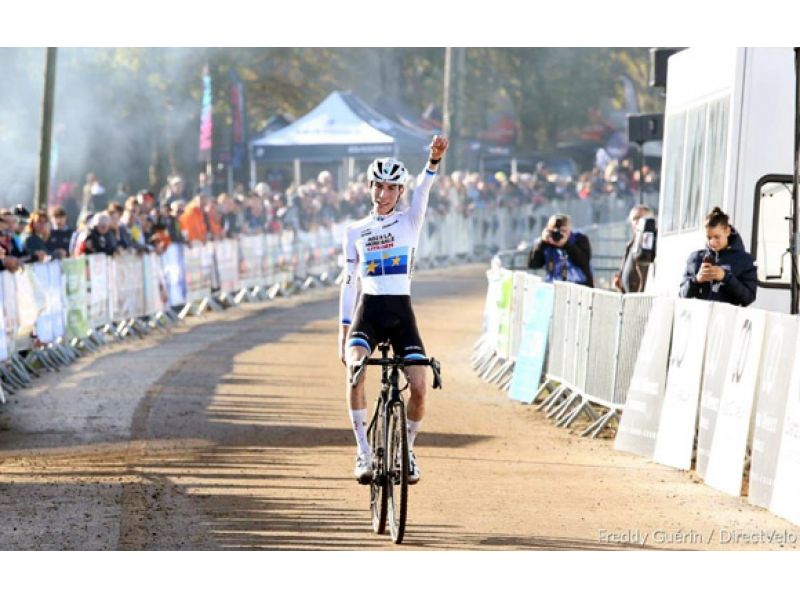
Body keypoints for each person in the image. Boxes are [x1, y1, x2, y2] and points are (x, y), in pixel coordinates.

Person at [339, 135, 449, 485]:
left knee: (419, 386)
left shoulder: (410, 221)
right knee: (356, 368)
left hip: (402, 313)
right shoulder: (355, 230)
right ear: (369, 187)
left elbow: (426, 190)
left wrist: (433, 161)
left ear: (400, 192)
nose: (384, 194)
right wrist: (342, 331)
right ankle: (363, 451)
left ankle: (409, 449)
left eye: (391, 188)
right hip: (368, 310)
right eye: (379, 186)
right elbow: (347, 282)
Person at [679, 206, 757, 306]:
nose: (712, 242)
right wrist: (696, 280)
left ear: (727, 231)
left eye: (717, 237)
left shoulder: (745, 261)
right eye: (709, 237)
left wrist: (726, 277)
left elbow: (748, 298)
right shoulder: (695, 258)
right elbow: (681, 295)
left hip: (728, 320)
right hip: (699, 319)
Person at [527, 213, 593, 287]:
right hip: (553, 285)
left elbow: (584, 261)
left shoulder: (579, 239)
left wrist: (566, 245)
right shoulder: (546, 243)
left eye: (563, 230)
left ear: (569, 229)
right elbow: (532, 264)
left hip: (579, 286)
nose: (558, 234)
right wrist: (542, 243)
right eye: (554, 231)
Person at [613, 205, 656, 293]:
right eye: (635, 219)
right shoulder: (631, 245)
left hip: (642, 299)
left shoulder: (652, 242)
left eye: (641, 218)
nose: (638, 222)